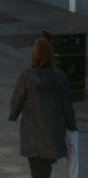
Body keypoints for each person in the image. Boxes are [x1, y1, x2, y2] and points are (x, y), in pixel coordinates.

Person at [9, 37, 77, 178]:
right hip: (53, 133)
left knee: (37, 169)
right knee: (45, 168)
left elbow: (17, 100)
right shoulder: (61, 77)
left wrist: (14, 114)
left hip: (32, 133)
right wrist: (72, 126)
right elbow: (67, 105)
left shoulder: (27, 76)